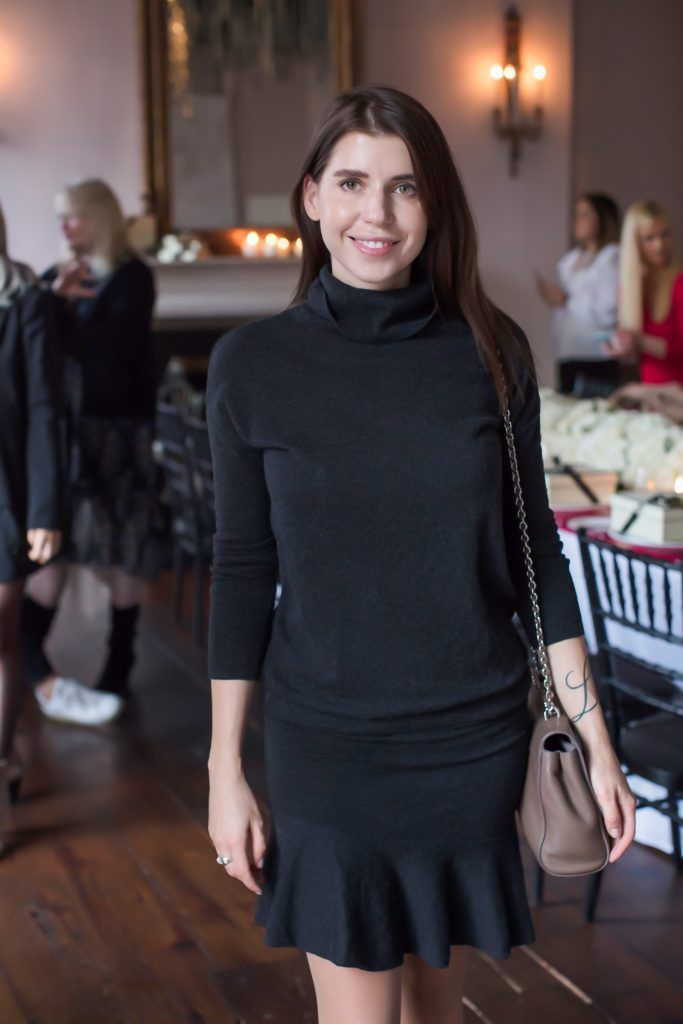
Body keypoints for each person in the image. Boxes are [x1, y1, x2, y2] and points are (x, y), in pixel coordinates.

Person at [206, 86, 636, 1023]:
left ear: (434, 207)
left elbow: (539, 567)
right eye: (353, 183)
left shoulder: (491, 351)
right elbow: (240, 572)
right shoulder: (252, 365)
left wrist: (594, 736)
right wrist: (222, 770)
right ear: (311, 197)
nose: (377, 213)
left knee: (437, 1014)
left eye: (405, 189)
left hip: (471, 741)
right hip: (329, 745)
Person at [20, 179, 162, 726]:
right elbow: (40, 346)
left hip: (119, 434)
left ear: (98, 219)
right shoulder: (62, 277)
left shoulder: (133, 277)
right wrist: (56, 298)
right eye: (62, 218)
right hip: (71, 437)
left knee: (127, 543)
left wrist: (62, 308)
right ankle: (28, 661)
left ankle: (117, 667)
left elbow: (109, 353)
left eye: (74, 217)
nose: (65, 228)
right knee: (53, 547)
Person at [0, 200, 63, 853]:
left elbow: (45, 409)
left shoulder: (25, 302)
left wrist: (45, 510)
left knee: (0, 642)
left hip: (6, 496)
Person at [536, 193, 621, 395]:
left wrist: (567, 300)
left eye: (585, 215)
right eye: (576, 215)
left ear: (603, 219)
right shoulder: (570, 260)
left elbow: (609, 310)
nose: (577, 221)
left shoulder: (612, 256)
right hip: (568, 350)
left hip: (598, 353)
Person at [603, 199, 683, 387]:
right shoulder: (630, 289)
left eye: (665, 235)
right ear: (635, 244)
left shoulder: (679, 283)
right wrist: (621, 348)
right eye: (650, 238)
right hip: (652, 395)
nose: (660, 245)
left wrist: (640, 341)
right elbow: (634, 356)